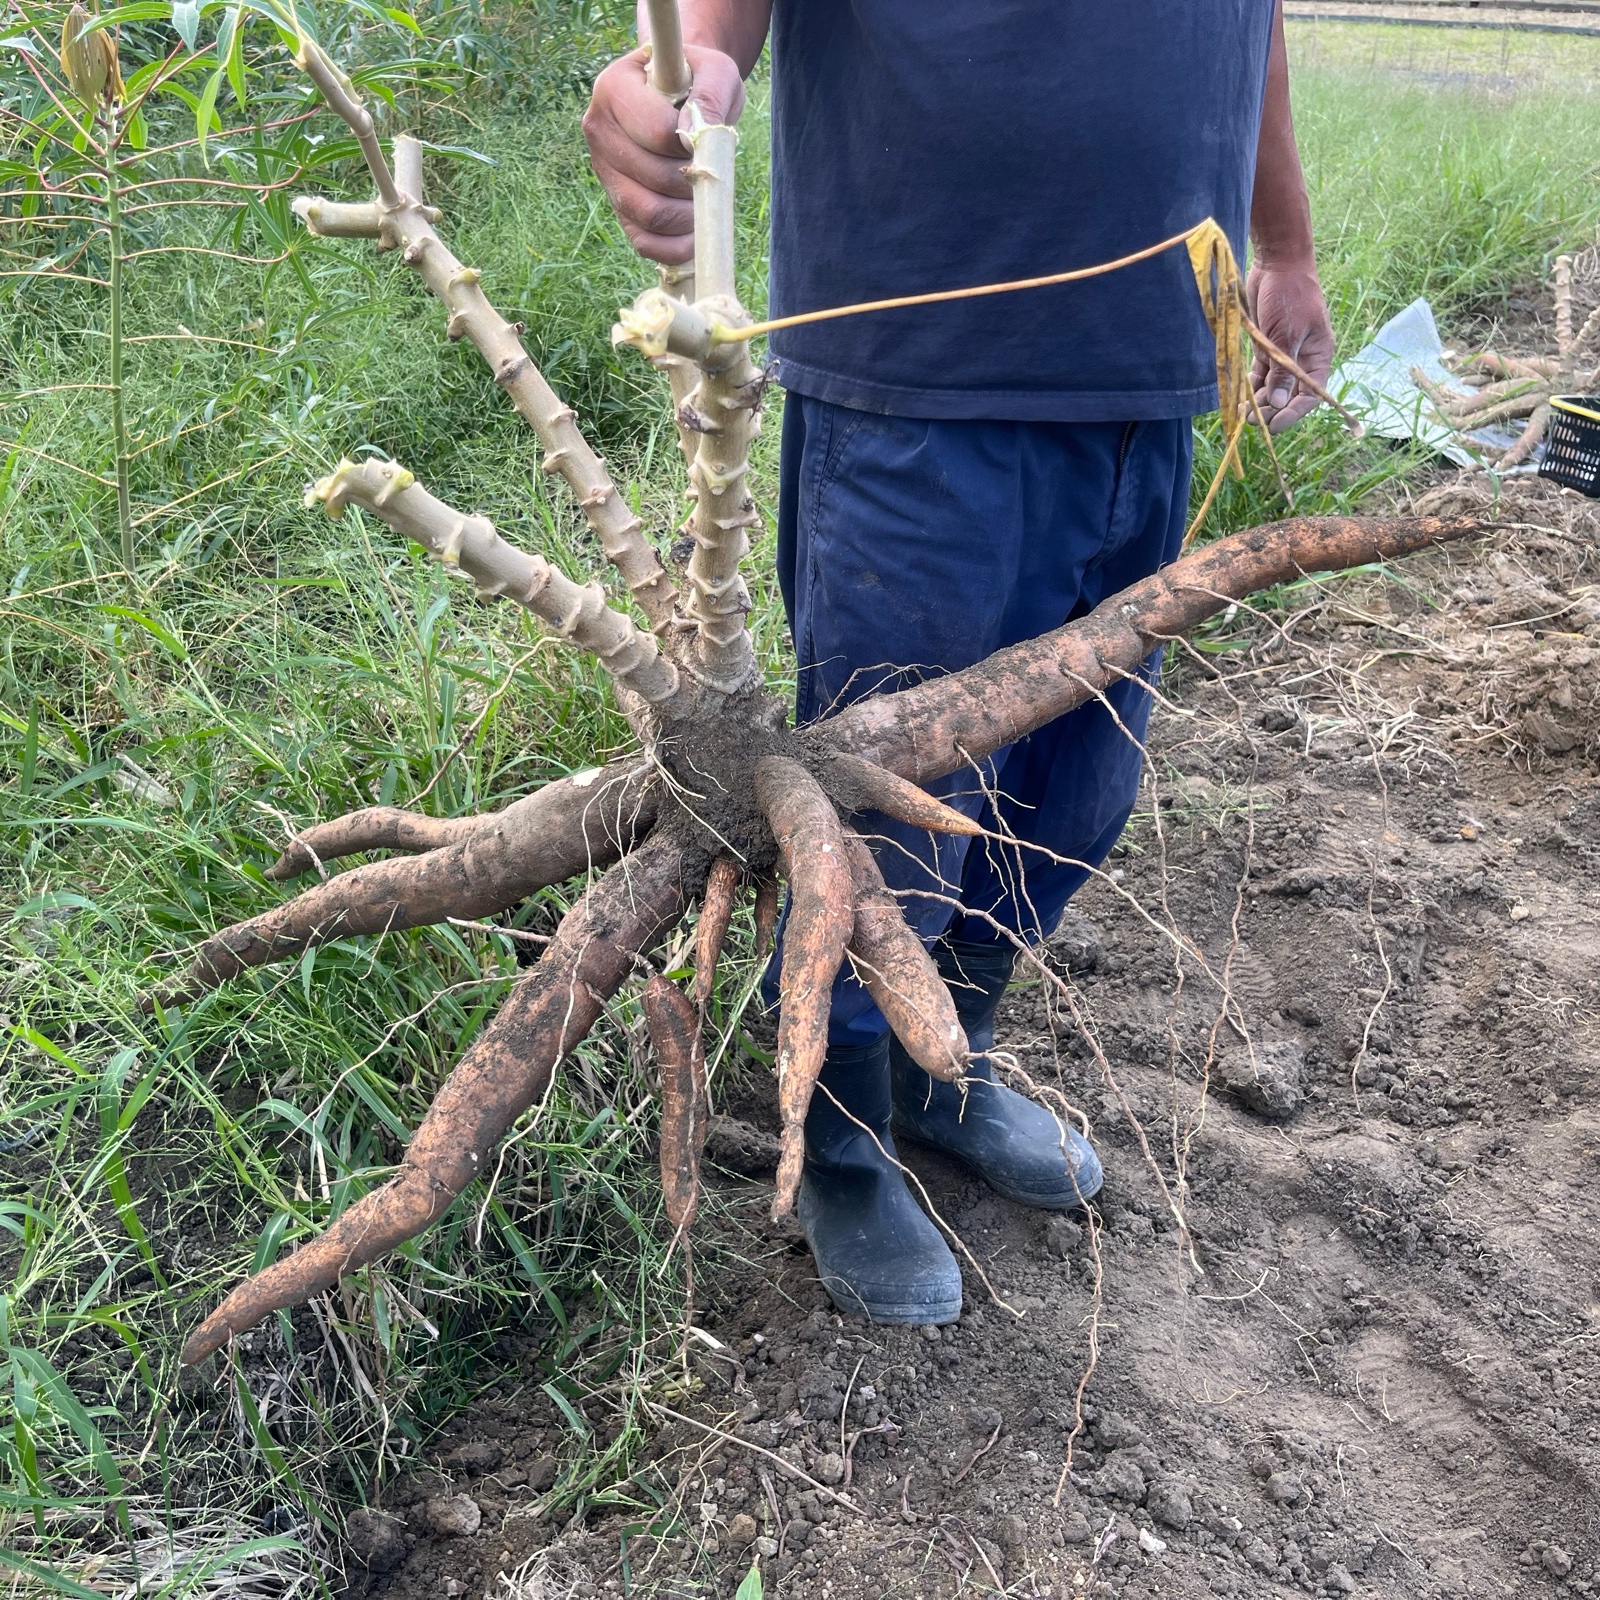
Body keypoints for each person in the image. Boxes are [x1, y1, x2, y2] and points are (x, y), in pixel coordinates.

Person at [585, 1, 1333, 1325]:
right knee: (888, 818)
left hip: (1159, 366)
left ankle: (946, 1061)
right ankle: (844, 1130)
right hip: (921, 381)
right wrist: (690, 62)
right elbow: (706, 34)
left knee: (1076, 793)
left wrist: (1284, 239)